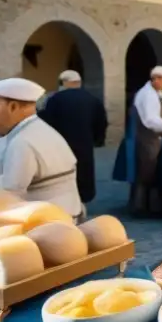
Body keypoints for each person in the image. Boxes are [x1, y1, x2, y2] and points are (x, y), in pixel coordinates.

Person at [0, 78, 82, 218]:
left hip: (48, 223)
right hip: (66, 213)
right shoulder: (39, 129)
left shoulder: (22, 142)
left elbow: (8, 195)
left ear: (13, 107)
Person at [39, 70, 108, 219]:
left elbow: (47, 122)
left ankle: (66, 205)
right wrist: (98, 139)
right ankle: (83, 201)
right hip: (85, 144)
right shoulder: (92, 99)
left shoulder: (55, 99)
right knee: (83, 173)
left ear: (64, 82)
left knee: (64, 175)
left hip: (61, 145)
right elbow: (101, 122)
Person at [130, 66, 162, 215]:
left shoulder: (155, 92)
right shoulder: (148, 95)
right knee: (147, 172)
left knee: (148, 171)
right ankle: (142, 208)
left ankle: (146, 205)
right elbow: (151, 120)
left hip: (151, 136)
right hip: (147, 137)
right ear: (157, 79)